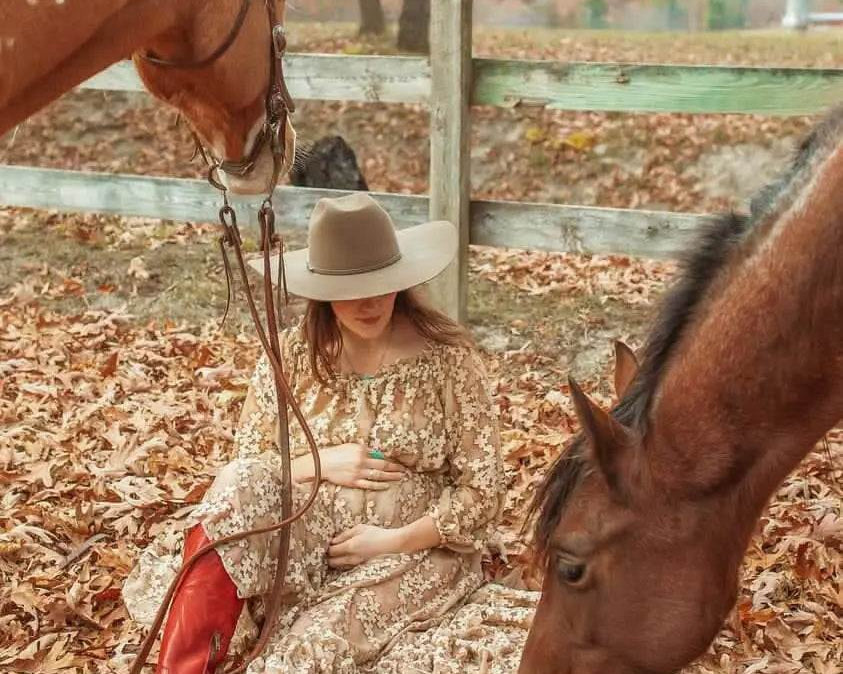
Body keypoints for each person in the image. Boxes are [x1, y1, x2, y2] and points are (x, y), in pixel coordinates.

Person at [122, 193, 527, 674]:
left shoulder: (449, 362)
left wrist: (393, 540)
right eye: (351, 289)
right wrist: (319, 463)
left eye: (382, 285)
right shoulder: (292, 356)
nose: (370, 302)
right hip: (305, 538)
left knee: (306, 653)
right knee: (237, 488)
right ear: (322, 291)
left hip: (413, 552)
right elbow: (247, 468)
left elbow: (483, 491)